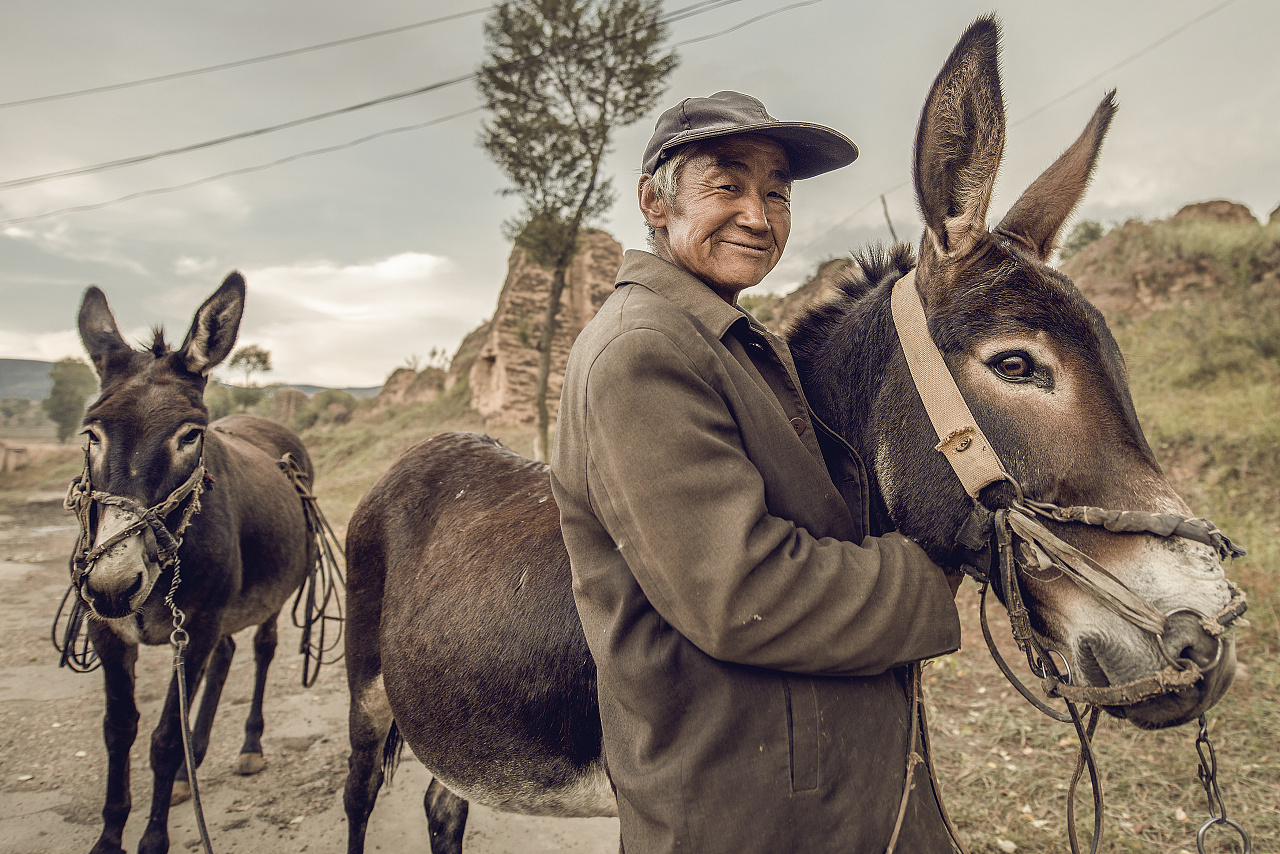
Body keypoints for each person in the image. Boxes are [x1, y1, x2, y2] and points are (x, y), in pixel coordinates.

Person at [549, 91, 963, 853]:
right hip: (745, 806)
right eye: (728, 184)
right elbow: (739, 590)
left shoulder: (724, 339)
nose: (758, 213)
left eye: (777, 191)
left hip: (813, 779)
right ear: (655, 200)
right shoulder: (642, 350)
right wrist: (926, 577)